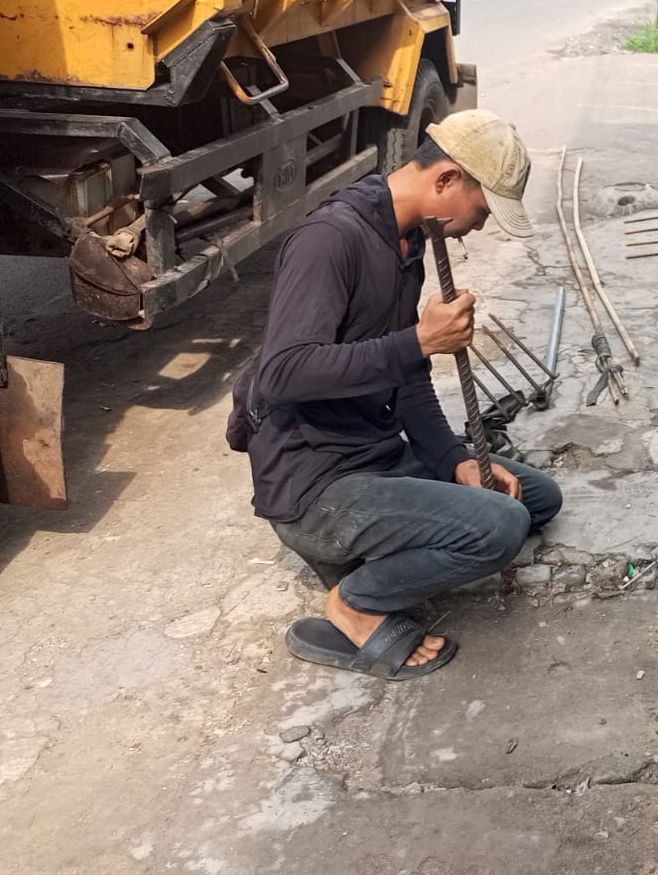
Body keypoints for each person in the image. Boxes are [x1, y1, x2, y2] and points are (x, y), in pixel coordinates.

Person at [229, 110, 563, 681]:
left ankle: (382, 544)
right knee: (500, 527)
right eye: (482, 211)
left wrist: (454, 460)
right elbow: (283, 373)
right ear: (447, 180)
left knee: (536, 497)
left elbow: (406, 384)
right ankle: (355, 601)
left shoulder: (403, 240)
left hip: (373, 452)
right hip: (317, 484)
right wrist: (418, 340)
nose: (479, 228)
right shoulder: (331, 239)